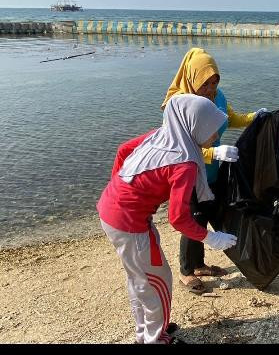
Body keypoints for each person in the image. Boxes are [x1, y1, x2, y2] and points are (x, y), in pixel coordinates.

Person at [97, 94, 238, 344]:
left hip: (114, 209)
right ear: (193, 126)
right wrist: (210, 238)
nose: (216, 136)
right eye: (211, 130)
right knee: (157, 280)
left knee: (140, 277)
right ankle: (155, 340)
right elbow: (177, 218)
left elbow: (123, 150)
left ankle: (148, 331)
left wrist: (119, 186)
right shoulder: (184, 164)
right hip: (128, 222)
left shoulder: (162, 134)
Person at [161, 47, 267, 294]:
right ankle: (186, 271)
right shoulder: (177, 106)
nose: (210, 89)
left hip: (213, 172)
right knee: (192, 219)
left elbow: (230, 119)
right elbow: (179, 148)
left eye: (215, 82)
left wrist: (254, 117)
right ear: (192, 79)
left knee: (208, 214)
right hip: (189, 175)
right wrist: (212, 153)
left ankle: (198, 264)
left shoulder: (218, 97)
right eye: (205, 84)